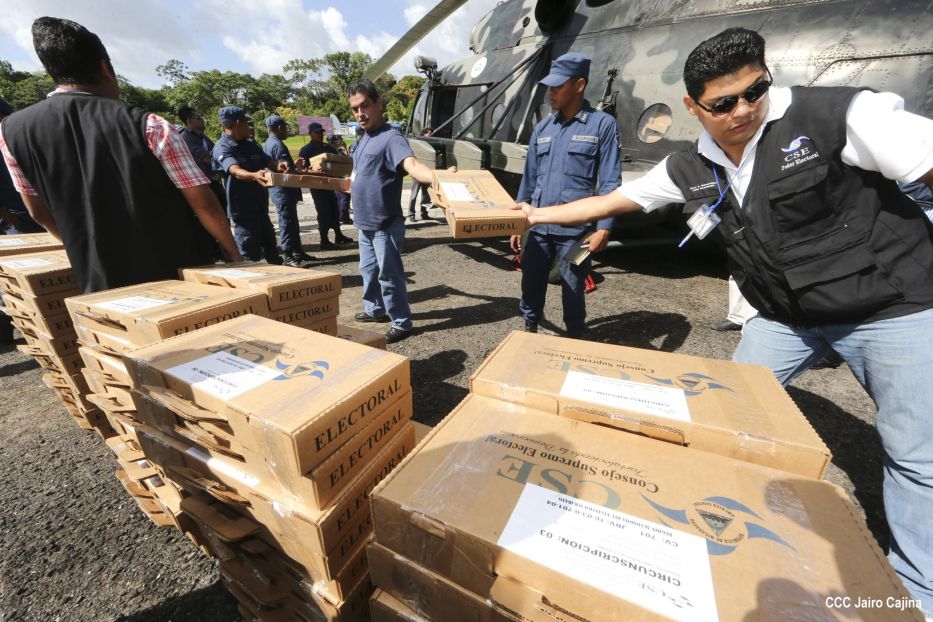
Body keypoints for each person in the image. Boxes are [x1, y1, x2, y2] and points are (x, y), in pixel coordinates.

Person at [516, 27, 933, 615]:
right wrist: (536, 214)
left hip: (890, 306)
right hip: (787, 316)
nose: (743, 110)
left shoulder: (841, 115)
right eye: (723, 103)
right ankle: (718, 529)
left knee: (916, 456)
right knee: (724, 413)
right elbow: (614, 200)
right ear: (693, 106)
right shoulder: (691, 164)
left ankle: (918, 594)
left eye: (755, 91)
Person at [0, 17, 240, 293]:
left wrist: (80, 249)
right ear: (105, 68)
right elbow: (204, 204)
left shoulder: (11, 133)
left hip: (98, 285)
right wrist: (234, 255)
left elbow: (38, 211)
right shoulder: (149, 125)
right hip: (177, 276)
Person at [510, 52, 621, 338]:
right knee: (531, 281)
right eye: (550, 86)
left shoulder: (602, 125)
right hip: (538, 228)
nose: (551, 92)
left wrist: (604, 228)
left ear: (579, 85)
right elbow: (529, 178)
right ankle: (529, 328)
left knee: (574, 285)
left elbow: (610, 180)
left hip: (578, 233)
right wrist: (517, 223)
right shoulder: (543, 128)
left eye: (558, 86)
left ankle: (575, 335)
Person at [346, 78, 455, 344]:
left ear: (378, 104)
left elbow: (412, 166)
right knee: (368, 271)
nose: (360, 113)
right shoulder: (363, 138)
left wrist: (438, 177)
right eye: (355, 109)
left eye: (365, 106)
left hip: (385, 224)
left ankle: (401, 321)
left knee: (389, 275)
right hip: (365, 223)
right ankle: (375, 308)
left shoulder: (391, 138)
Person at [212, 106, 289, 264]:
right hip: (243, 211)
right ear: (238, 123)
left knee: (272, 249)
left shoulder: (250, 144)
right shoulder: (222, 147)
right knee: (249, 256)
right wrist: (254, 175)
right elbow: (235, 170)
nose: (250, 127)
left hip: (261, 207)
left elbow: (271, 163)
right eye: (247, 123)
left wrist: (280, 165)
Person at [263, 115, 318, 267]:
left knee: (291, 221)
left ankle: (297, 251)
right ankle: (288, 255)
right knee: (287, 222)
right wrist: (300, 169)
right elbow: (285, 170)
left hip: (280, 189)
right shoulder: (277, 145)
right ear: (279, 127)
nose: (287, 130)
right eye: (285, 127)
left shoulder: (268, 143)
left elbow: (281, 166)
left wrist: (293, 164)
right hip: (283, 190)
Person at [297, 122, 353, 251]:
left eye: (321, 132)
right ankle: (324, 239)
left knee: (335, 209)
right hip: (317, 186)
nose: (320, 135)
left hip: (330, 184)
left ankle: (338, 235)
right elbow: (301, 169)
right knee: (323, 212)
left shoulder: (328, 147)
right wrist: (313, 171)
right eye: (317, 132)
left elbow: (337, 161)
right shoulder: (306, 150)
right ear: (310, 134)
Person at [177, 106, 227, 210]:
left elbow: (217, 154)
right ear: (189, 121)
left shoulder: (203, 137)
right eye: (198, 118)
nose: (202, 120)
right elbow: (208, 159)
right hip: (205, 188)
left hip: (215, 184)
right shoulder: (186, 138)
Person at [407, 128, 434, 222]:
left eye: (431, 133)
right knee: (414, 195)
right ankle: (411, 215)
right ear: (424, 134)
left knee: (425, 196)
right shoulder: (418, 145)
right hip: (417, 174)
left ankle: (424, 214)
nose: (430, 135)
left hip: (425, 173)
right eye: (429, 133)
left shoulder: (429, 145)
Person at [330, 134, 353, 224]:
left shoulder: (337, 150)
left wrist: (345, 148)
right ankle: (345, 217)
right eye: (339, 141)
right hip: (341, 176)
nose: (341, 142)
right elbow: (347, 160)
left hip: (339, 176)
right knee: (345, 197)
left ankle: (341, 216)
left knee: (340, 198)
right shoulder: (334, 152)